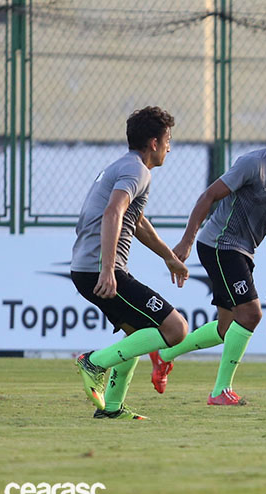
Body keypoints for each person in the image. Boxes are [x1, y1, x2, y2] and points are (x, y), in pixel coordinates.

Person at [146, 104, 266, 405]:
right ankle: (220, 391)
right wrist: (186, 241)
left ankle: (164, 353)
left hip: (244, 251)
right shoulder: (253, 164)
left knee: (226, 328)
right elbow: (209, 195)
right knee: (251, 314)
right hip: (220, 244)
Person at [72, 106, 189, 420]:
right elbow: (114, 212)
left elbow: (136, 222)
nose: (169, 147)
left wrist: (169, 257)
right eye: (168, 140)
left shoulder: (126, 167)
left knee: (136, 334)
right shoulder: (138, 170)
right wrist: (109, 269)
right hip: (99, 269)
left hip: (87, 268)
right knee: (176, 329)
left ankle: (111, 409)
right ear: (153, 142)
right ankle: (93, 362)